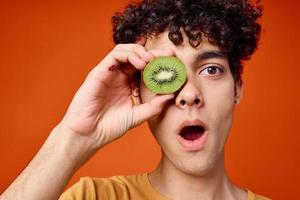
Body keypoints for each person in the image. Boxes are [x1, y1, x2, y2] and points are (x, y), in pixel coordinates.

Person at [0, 0, 271, 199]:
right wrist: (74, 137)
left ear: (237, 86)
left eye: (211, 70)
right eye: (166, 73)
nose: (189, 95)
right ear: (138, 91)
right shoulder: (94, 197)